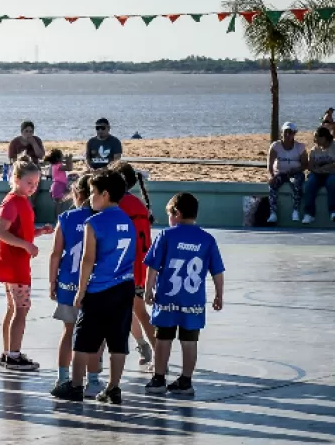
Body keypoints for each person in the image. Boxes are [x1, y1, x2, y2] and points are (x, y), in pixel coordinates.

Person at [51, 169, 136, 404]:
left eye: (93, 193)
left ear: (105, 194)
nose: (90, 199)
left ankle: (76, 385)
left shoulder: (94, 222)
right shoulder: (127, 220)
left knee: (83, 339)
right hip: (124, 286)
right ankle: (113, 387)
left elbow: (88, 259)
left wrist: (80, 290)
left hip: (99, 288)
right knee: (118, 340)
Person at [144, 192, 225, 396]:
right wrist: (219, 295)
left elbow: (153, 266)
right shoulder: (207, 239)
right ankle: (186, 380)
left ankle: (159, 378)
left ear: (177, 214)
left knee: (163, 338)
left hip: (167, 298)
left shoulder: (166, 235)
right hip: (193, 301)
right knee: (190, 341)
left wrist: (147, 289)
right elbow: (217, 271)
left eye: (169, 215)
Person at [0, 156, 53, 371]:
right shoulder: (11, 202)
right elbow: (1, 233)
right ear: (16, 179)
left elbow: (20, 232)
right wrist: (27, 246)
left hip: (15, 263)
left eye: (36, 184)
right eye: (29, 183)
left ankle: (9, 352)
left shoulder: (21, 201)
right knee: (22, 308)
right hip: (15, 264)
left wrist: (38, 232)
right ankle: (14, 355)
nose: (33, 187)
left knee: (13, 308)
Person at [48, 174, 97, 393]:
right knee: (95, 334)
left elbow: (55, 253)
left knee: (69, 331)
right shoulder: (100, 218)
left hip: (68, 283)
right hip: (94, 284)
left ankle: (62, 377)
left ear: (76, 194)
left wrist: (52, 281)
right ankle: (93, 379)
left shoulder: (66, 218)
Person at [110, 161, 156, 368]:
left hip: (125, 266)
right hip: (141, 265)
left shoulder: (118, 205)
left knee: (129, 312)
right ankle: (146, 346)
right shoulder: (138, 204)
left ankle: (151, 349)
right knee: (135, 311)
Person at [302, 126, 335, 224]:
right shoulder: (314, 150)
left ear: (323, 138)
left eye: (316, 137)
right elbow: (310, 167)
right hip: (318, 174)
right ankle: (309, 214)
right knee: (310, 183)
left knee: (332, 182)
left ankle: (333, 211)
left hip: (332, 173)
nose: (314, 140)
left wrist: (329, 166)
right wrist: (317, 170)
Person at [266, 122, 308, 224]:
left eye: (291, 132)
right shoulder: (275, 146)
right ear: (282, 132)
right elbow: (270, 165)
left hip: (295, 173)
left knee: (297, 183)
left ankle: (295, 210)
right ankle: (273, 213)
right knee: (273, 185)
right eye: (286, 132)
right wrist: (271, 176)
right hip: (280, 172)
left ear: (294, 133)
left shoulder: (300, 147)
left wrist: (295, 170)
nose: (288, 135)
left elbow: (305, 164)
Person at [45, 148, 68, 217]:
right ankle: (58, 220)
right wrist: (69, 159)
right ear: (58, 158)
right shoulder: (58, 166)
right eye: (62, 156)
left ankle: (58, 219)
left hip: (58, 186)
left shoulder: (54, 166)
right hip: (58, 186)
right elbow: (69, 168)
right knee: (58, 205)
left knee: (59, 205)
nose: (63, 157)